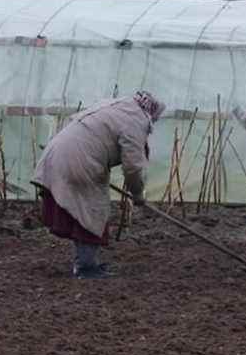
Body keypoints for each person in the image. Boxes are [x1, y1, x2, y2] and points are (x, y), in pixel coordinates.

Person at [32, 91, 165, 279]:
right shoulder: (136, 120)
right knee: (92, 210)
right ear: (151, 112)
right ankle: (85, 268)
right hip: (78, 161)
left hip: (59, 152)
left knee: (84, 210)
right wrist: (138, 194)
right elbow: (133, 167)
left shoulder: (115, 106)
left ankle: (87, 263)